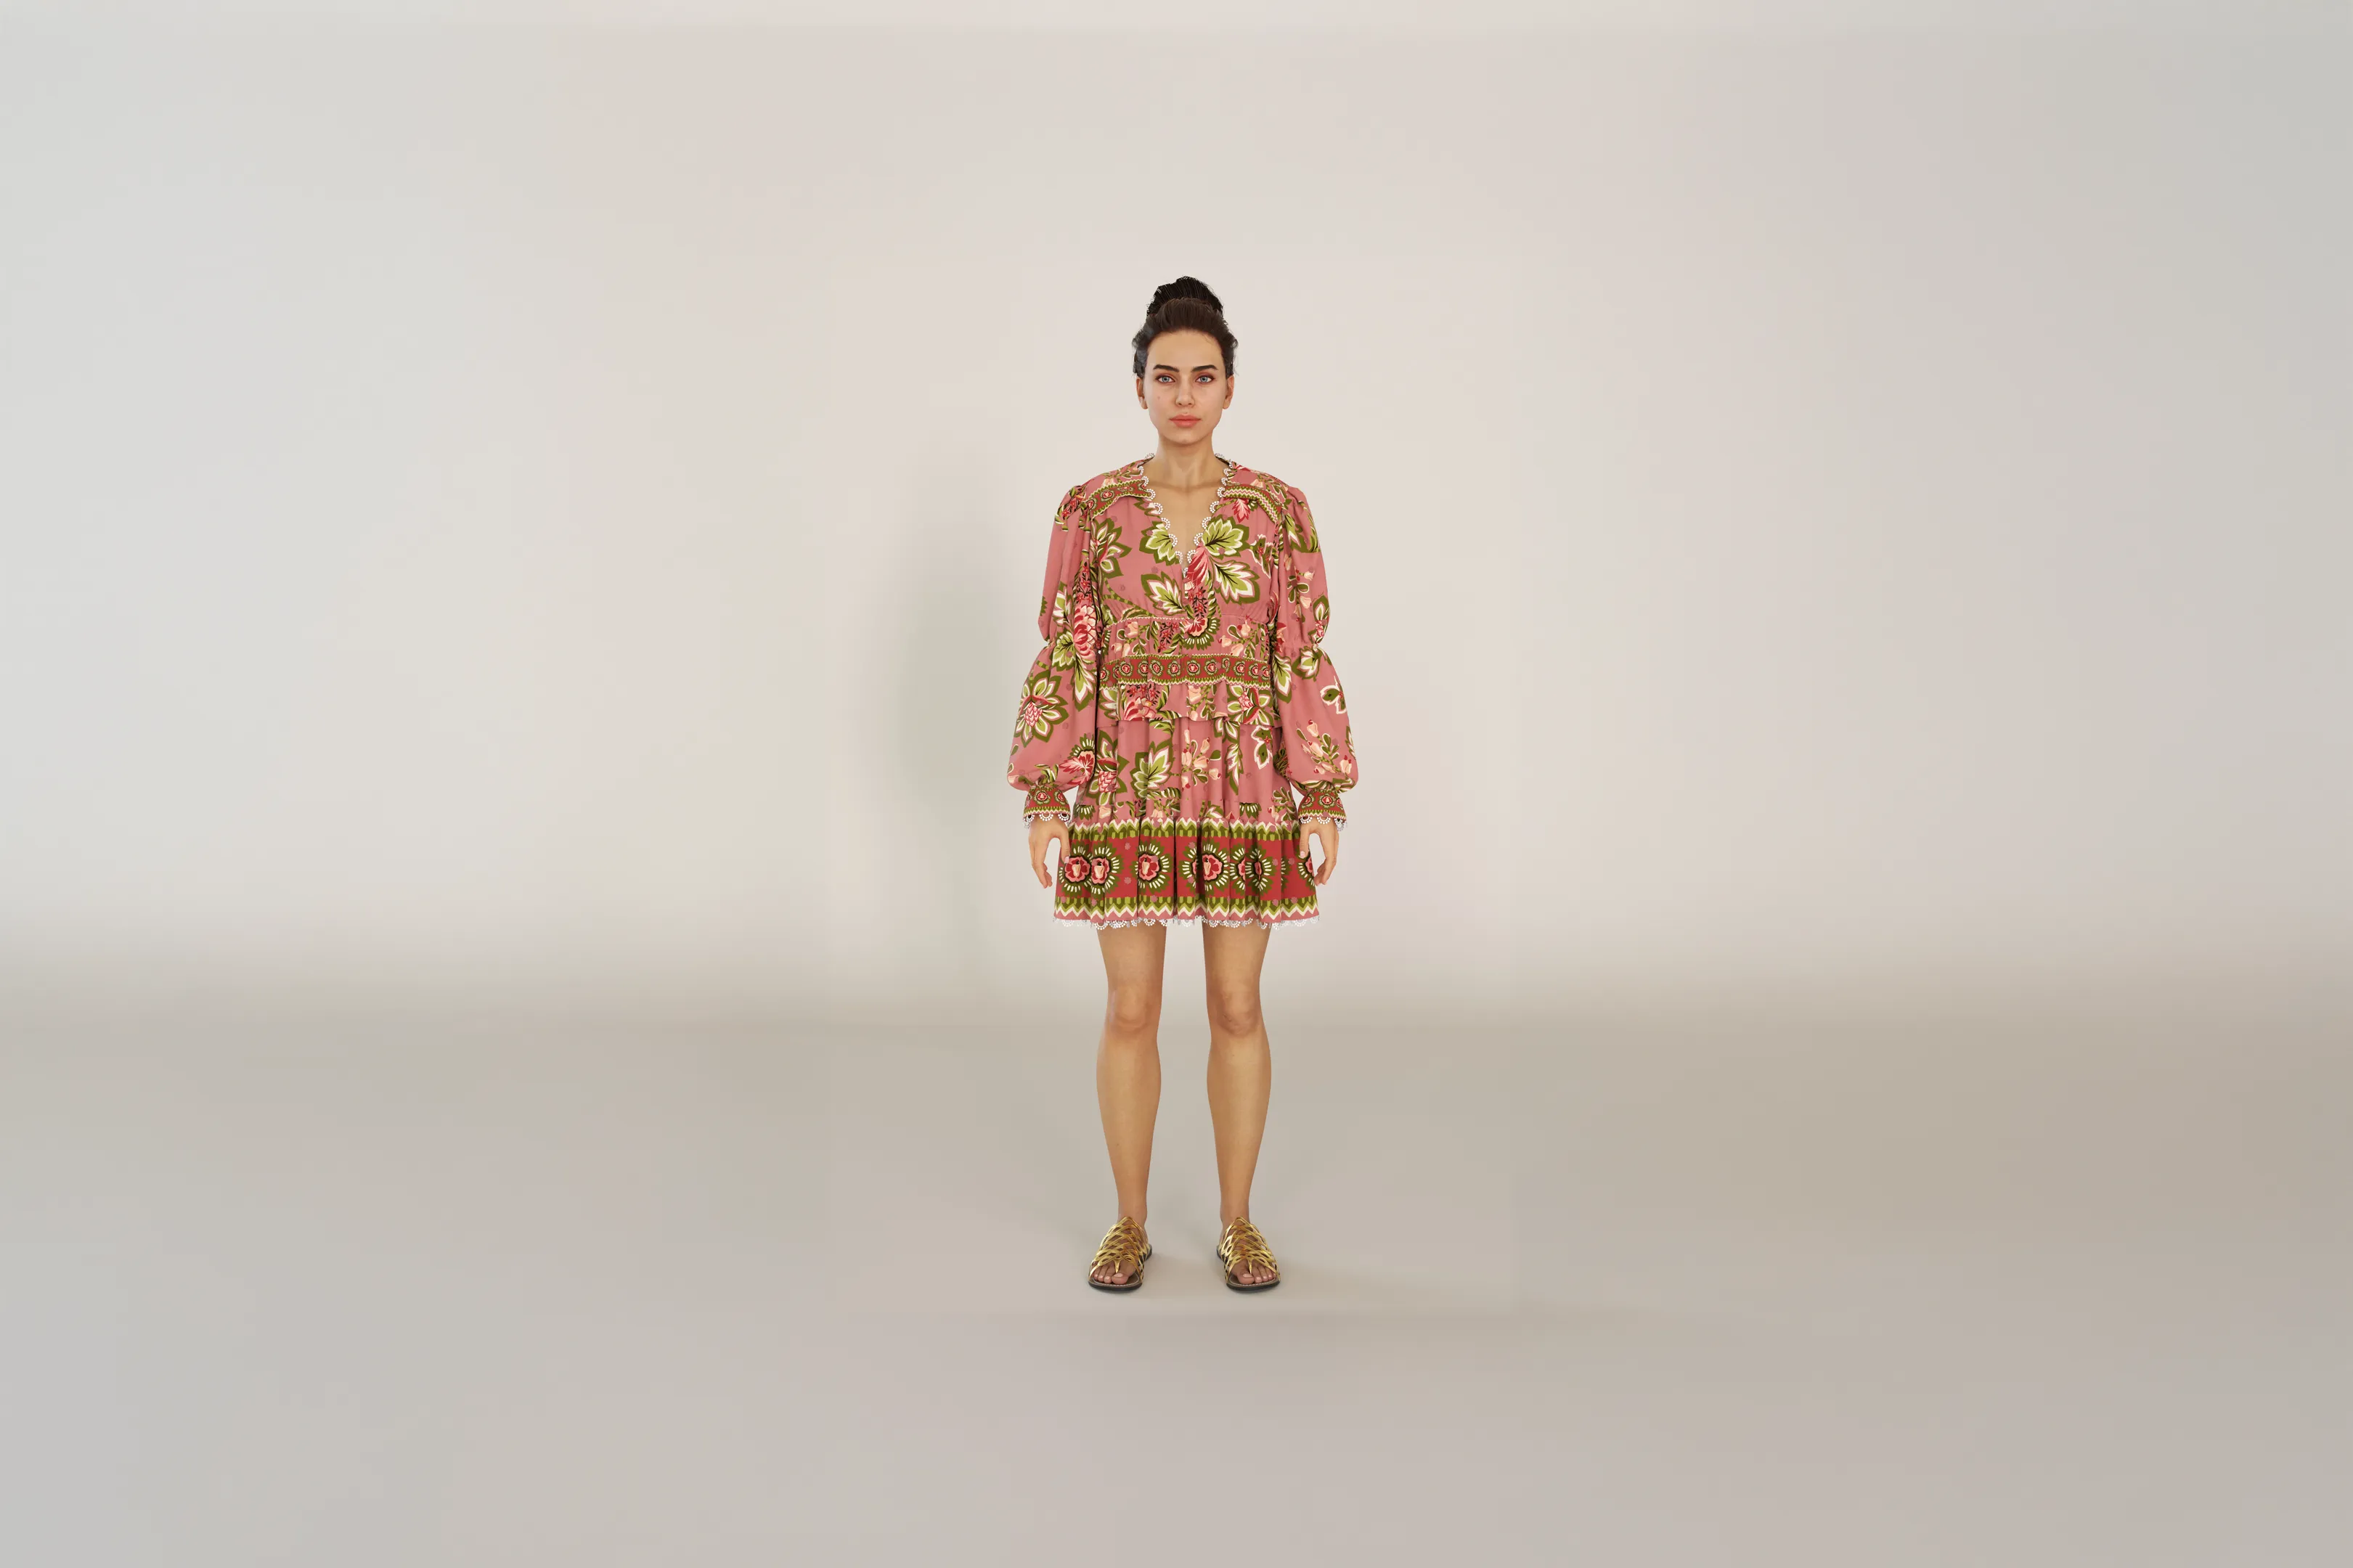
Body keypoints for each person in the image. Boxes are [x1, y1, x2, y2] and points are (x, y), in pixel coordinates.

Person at [1006, 277, 1358, 1293]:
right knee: (1131, 1008)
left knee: (1237, 1005)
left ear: (1231, 387)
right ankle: (1128, 1223)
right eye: (1166, 377)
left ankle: (1240, 1222)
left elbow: (1298, 650)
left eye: (1204, 376)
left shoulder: (1278, 511)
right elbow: (1070, 649)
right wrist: (1048, 790)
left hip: (1245, 784)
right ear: (1139, 387)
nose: (1185, 395)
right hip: (1127, 781)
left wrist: (1319, 790)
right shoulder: (1092, 511)